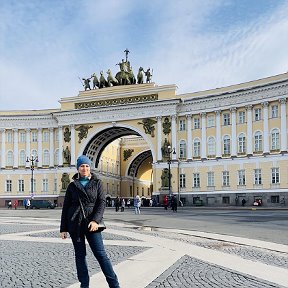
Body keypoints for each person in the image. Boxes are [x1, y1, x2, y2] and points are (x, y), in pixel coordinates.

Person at [60, 155, 120, 288]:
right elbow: (66, 207)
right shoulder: (72, 186)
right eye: (82, 166)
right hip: (75, 223)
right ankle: (84, 285)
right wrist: (63, 228)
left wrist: (95, 220)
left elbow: (101, 203)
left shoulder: (97, 183)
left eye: (87, 166)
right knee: (80, 256)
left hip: (92, 224)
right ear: (78, 168)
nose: (84, 168)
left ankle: (114, 284)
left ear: (90, 168)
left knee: (101, 255)